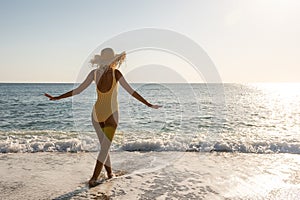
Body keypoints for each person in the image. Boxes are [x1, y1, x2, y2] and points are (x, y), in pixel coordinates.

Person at [44, 48, 161, 187]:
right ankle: (93, 178)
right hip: (112, 114)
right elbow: (131, 92)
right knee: (105, 148)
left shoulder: (94, 74)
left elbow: (78, 90)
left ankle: (110, 174)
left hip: (96, 114)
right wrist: (148, 104)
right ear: (113, 60)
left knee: (105, 147)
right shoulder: (116, 73)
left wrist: (57, 97)